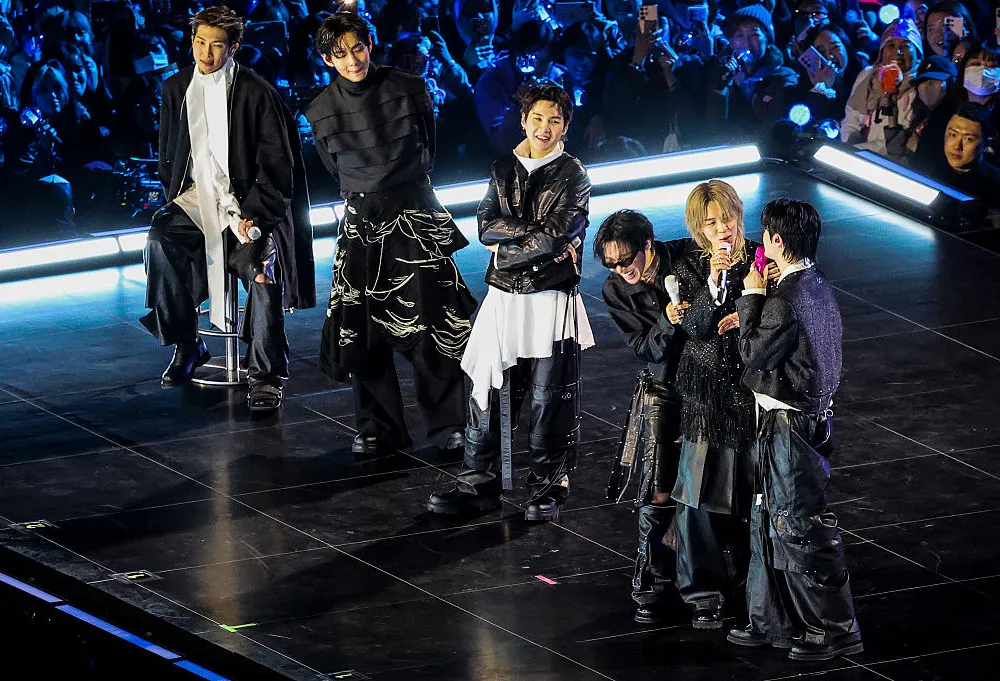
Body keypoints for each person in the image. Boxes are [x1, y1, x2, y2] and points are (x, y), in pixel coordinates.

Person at [307, 11, 475, 457]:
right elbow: (335, 168)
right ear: (327, 59)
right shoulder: (321, 110)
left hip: (414, 211)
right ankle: (378, 427)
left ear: (370, 44)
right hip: (362, 221)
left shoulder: (408, 87)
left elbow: (428, 146)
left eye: (357, 48)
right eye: (340, 54)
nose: (352, 60)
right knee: (363, 331)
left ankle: (449, 425)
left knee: (435, 324)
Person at [427, 82, 594, 522]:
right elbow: (485, 226)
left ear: (565, 126)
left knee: (548, 397)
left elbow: (558, 233)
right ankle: (477, 477)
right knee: (487, 386)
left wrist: (507, 248)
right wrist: (524, 238)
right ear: (523, 120)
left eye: (554, 120)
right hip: (503, 295)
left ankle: (548, 484)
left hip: (549, 298)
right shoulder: (503, 167)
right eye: (537, 118)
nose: (544, 127)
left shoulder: (573, 174)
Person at [140, 5, 315, 410]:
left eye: (217, 46)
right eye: (200, 42)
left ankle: (266, 373)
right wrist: (182, 197)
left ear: (234, 48)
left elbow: (277, 167)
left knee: (261, 268)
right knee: (159, 241)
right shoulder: (175, 89)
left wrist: (254, 214)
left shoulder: (257, 93)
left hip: (250, 203)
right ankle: (187, 343)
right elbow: (170, 155)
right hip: (196, 199)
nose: (206, 53)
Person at [728, 198, 863, 662]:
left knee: (797, 525)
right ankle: (772, 621)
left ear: (776, 241)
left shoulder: (785, 300)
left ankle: (832, 628)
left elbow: (751, 353)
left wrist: (750, 297)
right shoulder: (815, 285)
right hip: (796, 419)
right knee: (771, 520)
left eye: (764, 236)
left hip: (790, 424)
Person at [667, 179, 761, 629]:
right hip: (705, 393)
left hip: (749, 392)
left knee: (752, 492)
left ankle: (753, 584)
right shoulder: (687, 264)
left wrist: (742, 311)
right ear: (699, 228)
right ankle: (702, 590)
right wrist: (711, 282)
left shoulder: (762, 257)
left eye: (726, 218)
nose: (722, 229)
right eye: (711, 223)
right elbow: (696, 326)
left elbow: (778, 314)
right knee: (698, 495)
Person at [596, 209, 687, 624]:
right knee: (658, 486)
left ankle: (709, 576)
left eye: (625, 260)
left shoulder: (685, 259)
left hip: (709, 384)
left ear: (647, 245)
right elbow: (645, 347)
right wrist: (668, 323)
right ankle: (651, 581)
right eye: (611, 263)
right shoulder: (616, 289)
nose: (620, 270)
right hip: (664, 388)